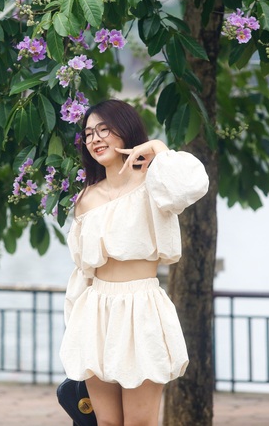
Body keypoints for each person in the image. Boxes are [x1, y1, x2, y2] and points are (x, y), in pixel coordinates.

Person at [59, 99, 209, 426]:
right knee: (107, 423)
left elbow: (191, 185)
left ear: (125, 132)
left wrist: (157, 148)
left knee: (140, 423)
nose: (95, 139)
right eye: (88, 134)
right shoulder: (86, 198)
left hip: (141, 308)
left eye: (104, 129)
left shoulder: (154, 185)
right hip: (96, 310)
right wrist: (74, 323)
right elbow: (83, 270)